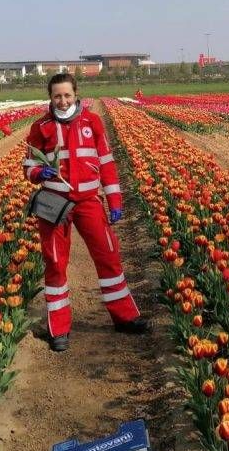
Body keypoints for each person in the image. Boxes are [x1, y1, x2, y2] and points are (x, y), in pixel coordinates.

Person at [24, 73, 148, 351]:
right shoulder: (41, 127)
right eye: (57, 96)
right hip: (55, 203)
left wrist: (114, 200)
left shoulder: (92, 122)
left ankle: (125, 317)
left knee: (108, 255)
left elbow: (106, 163)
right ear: (50, 97)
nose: (63, 100)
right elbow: (29, 167)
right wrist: (39, 173)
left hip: (89, 201)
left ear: (76, 94)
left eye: (67, 95)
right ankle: (59, 328)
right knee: (55, 262)